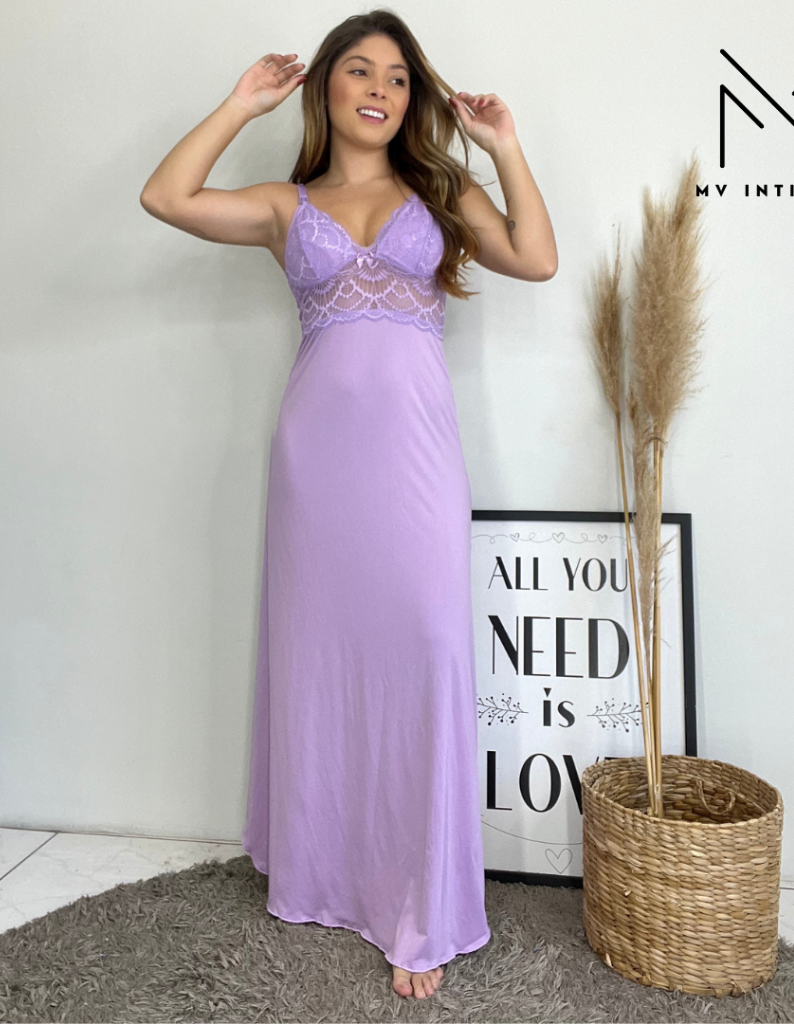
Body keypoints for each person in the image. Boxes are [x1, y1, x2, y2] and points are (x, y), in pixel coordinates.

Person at [140, 8, 556, 1001]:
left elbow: (535, 257)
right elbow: (165, 196)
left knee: (427, 651)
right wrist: (240, 104)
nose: (380, 89)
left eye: (398, 78)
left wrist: (504, 145)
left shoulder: (442, 191)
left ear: (412, 100)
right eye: (360, 70)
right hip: (315, 465)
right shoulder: (285, 207)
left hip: (416, 461)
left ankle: (422, 902)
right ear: (326, 84)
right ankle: (324, 870)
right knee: (320, 659)